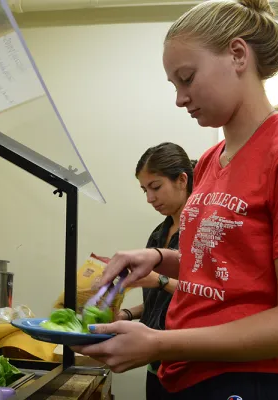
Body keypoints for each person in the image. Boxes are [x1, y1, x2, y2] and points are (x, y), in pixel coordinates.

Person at [73, 0, 278, 398]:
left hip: (253, 382)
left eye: (187, 78)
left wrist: (159, 342)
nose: (180, 98)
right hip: (189, 375)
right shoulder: (208, 162)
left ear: (238, 55)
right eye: (174, 85)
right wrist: (159, 258)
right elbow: (224, 271)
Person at [116, 142, 193, 399]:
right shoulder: (159, 234)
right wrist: (126, 314)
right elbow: (161, 301)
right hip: (155, 361)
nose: (150, 198)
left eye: (156, 187)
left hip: (188, 362)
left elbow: (206, 293)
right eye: (144, 190)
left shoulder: (202, 234)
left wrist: (159, 280)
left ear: (182, 180)